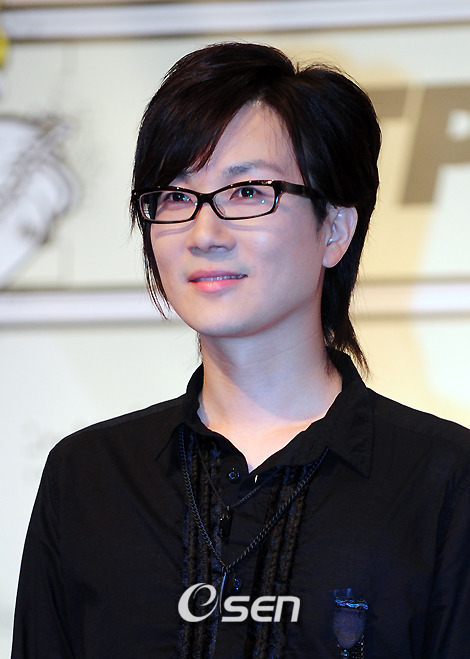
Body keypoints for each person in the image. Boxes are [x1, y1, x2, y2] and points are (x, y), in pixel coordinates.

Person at [12, 41, 470, 659]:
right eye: (175, 196)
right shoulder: (88, 478)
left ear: (335, 229)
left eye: (248, 192)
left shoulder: (441, 481)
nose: (204, 233)